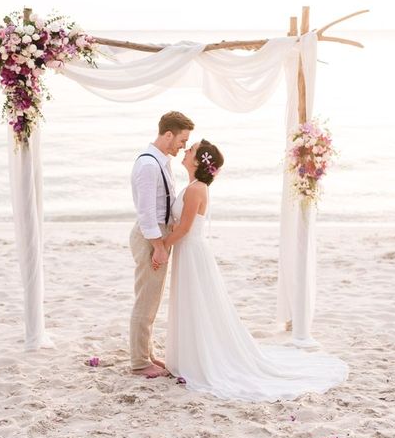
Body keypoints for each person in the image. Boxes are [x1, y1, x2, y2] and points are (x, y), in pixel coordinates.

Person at [163, 139, 348, 401]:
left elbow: (183, 229)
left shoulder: (196, 190)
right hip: (189, 251)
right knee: (193, 303)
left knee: (197, 303)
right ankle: (190, 354)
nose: (185, 151)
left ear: (199, 160)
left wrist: (160, 247)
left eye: (190, 150)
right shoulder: (194, 186)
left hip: (191, 251)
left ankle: (199, 357)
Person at [130, 111, 195, 378]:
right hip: (150, 237)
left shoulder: (162, 161)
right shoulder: (148, 165)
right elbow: (147, 213)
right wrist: (158, 246)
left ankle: (147, 353)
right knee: (145, 299)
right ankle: (138, 361)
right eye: (182, 139)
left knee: (152, 299)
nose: (183, 146)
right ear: (168, 134)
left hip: (157, 235)